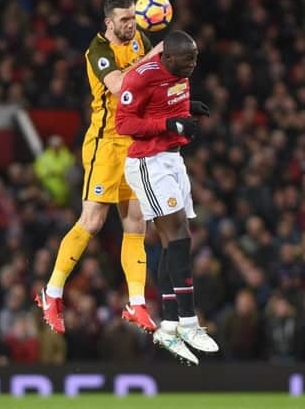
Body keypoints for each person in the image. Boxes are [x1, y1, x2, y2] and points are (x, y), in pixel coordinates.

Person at [36, 0, 163, 334]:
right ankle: (52, 293)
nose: (130, 24)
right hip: (105, 145)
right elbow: (120, 85)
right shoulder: (97, 51)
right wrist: (152, 58)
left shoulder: (140, 39)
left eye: (133, 18)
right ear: (108, 22)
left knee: (137, 224)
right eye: (124, 20)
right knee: (92, 221)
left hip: (135, 142)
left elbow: (151, 80)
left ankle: (136, 304)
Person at [115, 30, 219, 365]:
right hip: (148, 162)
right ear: (168, 57)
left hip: (172, 160)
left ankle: (170, 325)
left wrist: (188, 107)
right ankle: (189, 322)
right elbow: (124, 123)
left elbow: (165, 103)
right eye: (187, 60)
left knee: (172, 242)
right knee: (178, 237)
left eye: (196, 59)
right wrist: (171, 125)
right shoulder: (140, 78)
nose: (192, 65)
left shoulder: (179, 72)